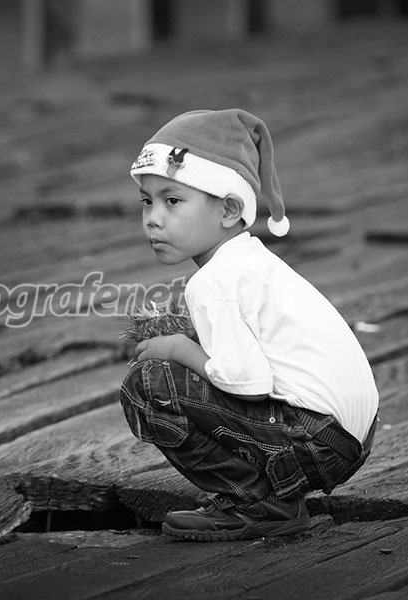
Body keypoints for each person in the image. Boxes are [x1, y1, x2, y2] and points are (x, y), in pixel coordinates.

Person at [119, 109, 379, 542]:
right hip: (350, 438)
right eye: (147, 201)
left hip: (313, 442)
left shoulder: (215, 280)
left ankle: (257, 502)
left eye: (172, 201)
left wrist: (179, 348)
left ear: (229, 210)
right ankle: (272, 495)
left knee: (147, 385)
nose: (153, 218)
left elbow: (247, 382)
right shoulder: (253, 263)